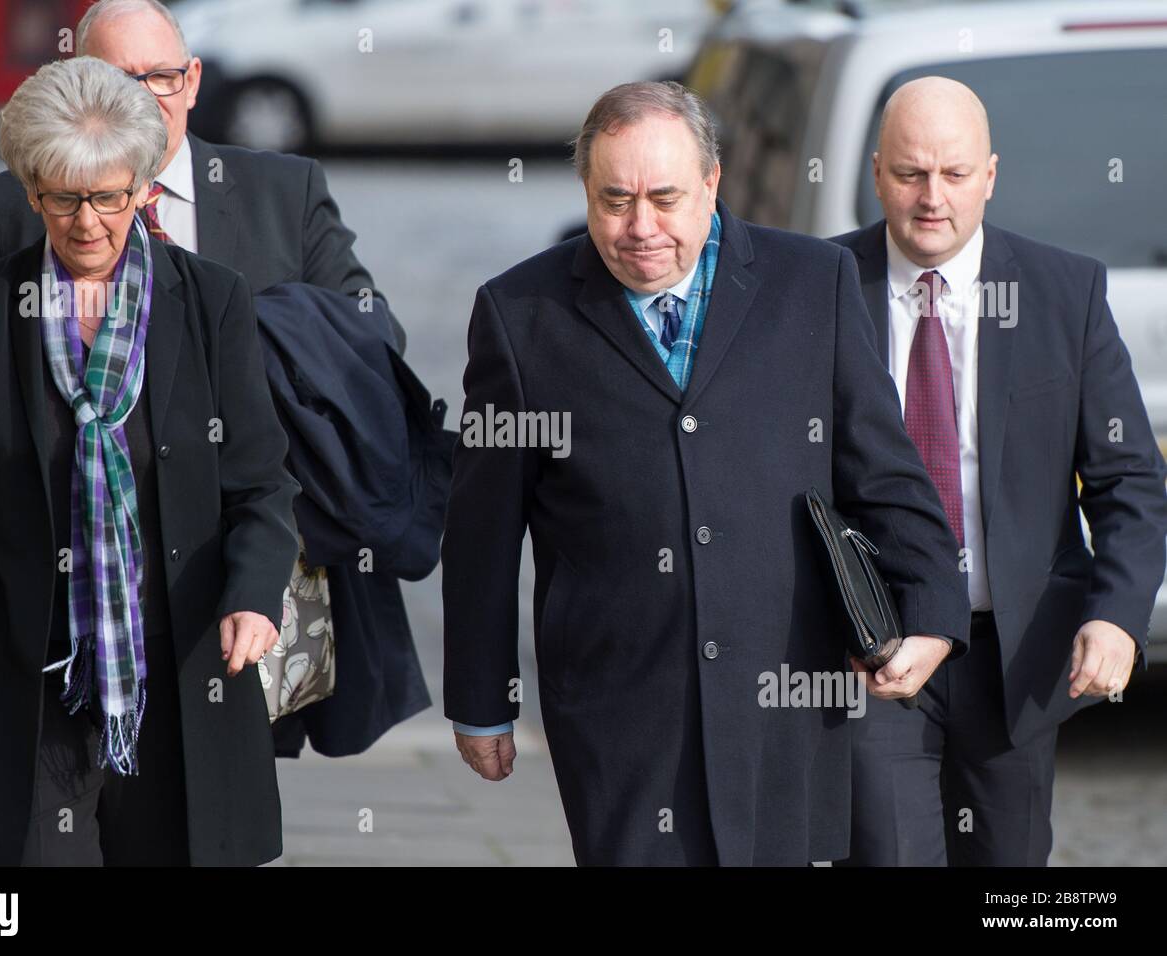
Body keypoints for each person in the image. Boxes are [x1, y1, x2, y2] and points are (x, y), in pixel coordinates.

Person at [441, 81, 970, 866]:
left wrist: (930, 609)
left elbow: (885, 470)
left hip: (784, 697)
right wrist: (481, 702)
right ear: (585, 190)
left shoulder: (811, 284)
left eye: (664, 197)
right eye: (615, 200)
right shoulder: (520, 314)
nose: (641, 227)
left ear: (713, 184)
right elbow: (482, 533)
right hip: (619, 708)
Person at [0, 55, 299, 866]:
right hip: (22, 683)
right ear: (31, 194)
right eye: (63, 199)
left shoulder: (212, 300)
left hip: (180, 674)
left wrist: (253, 597)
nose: (88, 223)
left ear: (144, 188)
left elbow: (259, 483)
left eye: (109, 197)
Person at [832, 76, 1167, 866]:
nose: (931, 198)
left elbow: (1128, 478)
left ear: (990, 175)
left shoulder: (1063, 293)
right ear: (877, 172)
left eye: (953, 174)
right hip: (877, 653)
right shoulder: (820, 287)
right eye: (911, 174)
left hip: (1015, 659)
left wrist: (1118, 615)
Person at [0, 0, 405, 354]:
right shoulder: (12, 202)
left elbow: (375, 333)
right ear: (79, 82)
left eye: (161, 77)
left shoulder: (286, 191)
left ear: (192, 81)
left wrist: (230, 334)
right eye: (118, 81)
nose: (142, 100)